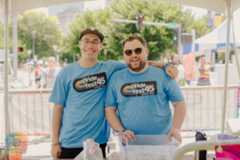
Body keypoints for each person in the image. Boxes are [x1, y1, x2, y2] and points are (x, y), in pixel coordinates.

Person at [49, 28, 177, 159]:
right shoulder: (66, 73)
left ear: (101, 46)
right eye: (86, 41)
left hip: (99, 142)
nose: (90, 45)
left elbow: (137, 61)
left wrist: (166, 66)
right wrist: (54, 143)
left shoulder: (110, 68)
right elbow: (57, 109)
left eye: (95, 41)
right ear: (80, 44)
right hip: (70, 142)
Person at [105, 35, 186, 144]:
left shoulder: (163, 74)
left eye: (138, 50)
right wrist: (121, 130)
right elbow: (109, 109)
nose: (133, 55)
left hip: (163, 140)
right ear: (124, 55)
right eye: (128, 52)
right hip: (129, 142)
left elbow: (179, 103)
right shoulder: (116, 78)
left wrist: (176, 129)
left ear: (146, 51)